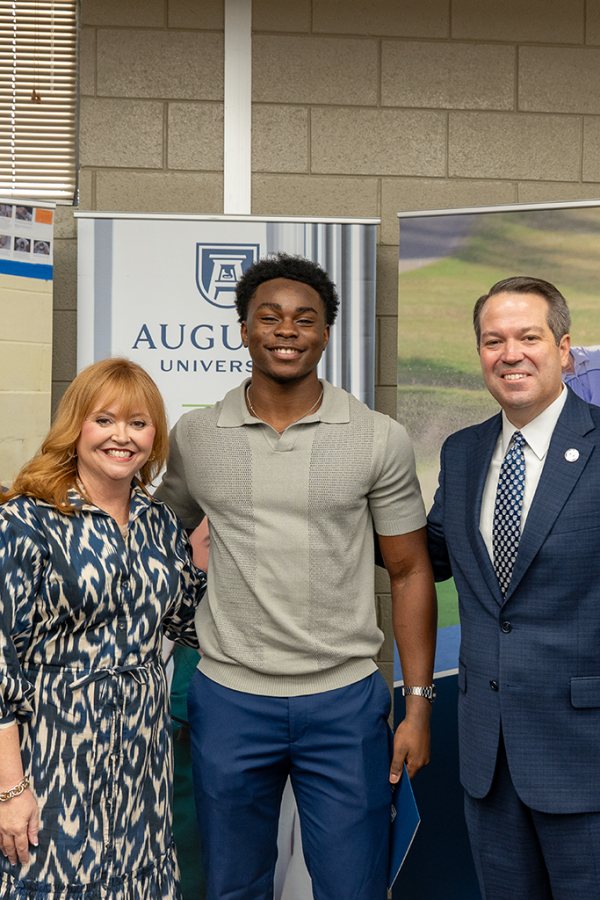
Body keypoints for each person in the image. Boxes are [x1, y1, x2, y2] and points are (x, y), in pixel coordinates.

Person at [155, 252, 437, 900]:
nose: (287, 330)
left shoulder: (377, 438)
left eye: (304, 319)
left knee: (352, 887)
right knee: (233, 887)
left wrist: (418, 704)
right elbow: (157, 532)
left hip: (344, 702)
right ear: (244, 327)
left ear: (326, 334)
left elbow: (410, 567)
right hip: (228, 697)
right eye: (270, 317)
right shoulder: (197, 435)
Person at [0, 358, 206, 899]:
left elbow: (190, 621)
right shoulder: (26, 520)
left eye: (138, 423)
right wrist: (10, 789)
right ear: (76, 428)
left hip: (142, 755)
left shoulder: (158, 520)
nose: (122, 436)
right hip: (51, 755)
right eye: (105, 420)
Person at [427, 275, 600, 900]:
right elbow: (432, 556)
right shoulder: (463, 452)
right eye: (493, 340)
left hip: (586, 755)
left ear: (564, 349)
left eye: (529, 336)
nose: (510, 354)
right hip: (489, 756)